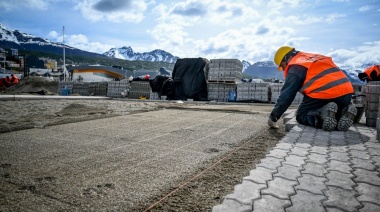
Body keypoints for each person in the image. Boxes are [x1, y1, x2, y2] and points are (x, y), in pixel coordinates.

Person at [268, 46, 357, 131]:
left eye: (283, 66)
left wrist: (274, 117)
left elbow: (287, 95)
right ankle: (343, 112)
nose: (284, 69)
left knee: (301, 115)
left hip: (324, 93)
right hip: (347, 93)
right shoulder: (317, 57)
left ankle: (321, 116)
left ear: (287, 58)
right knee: (332, 111)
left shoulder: (296, 64)